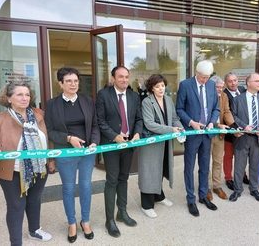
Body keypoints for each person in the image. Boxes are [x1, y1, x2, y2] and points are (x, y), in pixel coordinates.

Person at [45, 67, 100, 243]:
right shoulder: (52, 104)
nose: (73, 84)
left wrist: (94, 142)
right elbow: (50, 131)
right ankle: (71, 223)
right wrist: (68, 138)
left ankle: (85, 221)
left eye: (75, 81)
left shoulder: (88, 101)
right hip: (66, 152)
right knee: (68, 188)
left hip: (87, 153)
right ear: (60, 83)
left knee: (85, 186)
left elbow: (95, 125)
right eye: (68, 81)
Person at [0, 81, 53, 246]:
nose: (24, 98)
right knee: (16, 206)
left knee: (35, 200)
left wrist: (50, 160)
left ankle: (34, 230)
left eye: (27, 94)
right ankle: (16, 243)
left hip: (39, 167)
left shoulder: (39, 114)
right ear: (9, 98)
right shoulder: (1, 119)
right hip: (12, 170)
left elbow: (48, 137)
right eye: (19, 94)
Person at [96, 66, 143, 237]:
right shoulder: (103, 95)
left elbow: (138, 118)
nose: (124, 80)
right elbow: (100, 120)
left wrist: (137, 133)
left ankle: (121, 212)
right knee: (112, 180)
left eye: (126, 77)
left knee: (124, 178)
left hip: (129, 144)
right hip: (111, 145)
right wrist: (114, 136)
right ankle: (110, 220)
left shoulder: (134, 96)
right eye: (120, 77)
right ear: (113, 78)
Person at [176, 60, 219, 217]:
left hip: (207, 133)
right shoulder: (185, 85)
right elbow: (179, 109)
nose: (205, 80)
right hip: (192, 133)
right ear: (196, 73)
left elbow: (216, 108)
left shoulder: (211, 85)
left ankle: (203, 196)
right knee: (189, 166)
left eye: (207, 77)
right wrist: (191, 122)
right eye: (202, 77)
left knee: (204, 166)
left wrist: (212, 122)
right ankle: (191, 199)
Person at [138, 74, 183, 218]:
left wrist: (180, 128)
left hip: (165, 143)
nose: (161, 88)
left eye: (162, 85)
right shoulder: (147, 102)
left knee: (161, 169)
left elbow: (175, 118)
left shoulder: (168, 100)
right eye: (157, 86)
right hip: (151, 144)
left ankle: (159, 196)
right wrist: (171, 130)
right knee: (149, 172)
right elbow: (149, 123)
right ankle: (146, 205)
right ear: (151, 88)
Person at [229, 73, 259, 203]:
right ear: (248, 83)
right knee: (239, 166)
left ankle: (254, 189)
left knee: (255, 165)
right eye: (257, 81)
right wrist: (244, 126)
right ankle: (237, 190)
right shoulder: (237, 99)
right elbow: (234, 116)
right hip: (243, 137)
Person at [207, 75, 235, 200]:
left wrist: (233, 125)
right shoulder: (206, 95)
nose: (220, 89)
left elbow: (227, 111)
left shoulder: (223, 96)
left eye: (221, 87)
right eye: (217, 87)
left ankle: (216, 185)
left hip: (220, 134)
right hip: (207, 133)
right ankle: (206, 187)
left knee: (218, 161)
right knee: (205, 162)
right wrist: (218, 124)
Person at [223, 72, 247, 191]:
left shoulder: (243, 90)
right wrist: (233, 129)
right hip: (231, 130)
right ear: (226, 83)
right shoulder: (224, 95)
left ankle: (242, 174)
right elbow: (226, 113)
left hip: (244, 130)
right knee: (228, 156)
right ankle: (228, 178)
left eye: (235, 80)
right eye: (230, 81)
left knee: (242, 155)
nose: (233, 83)